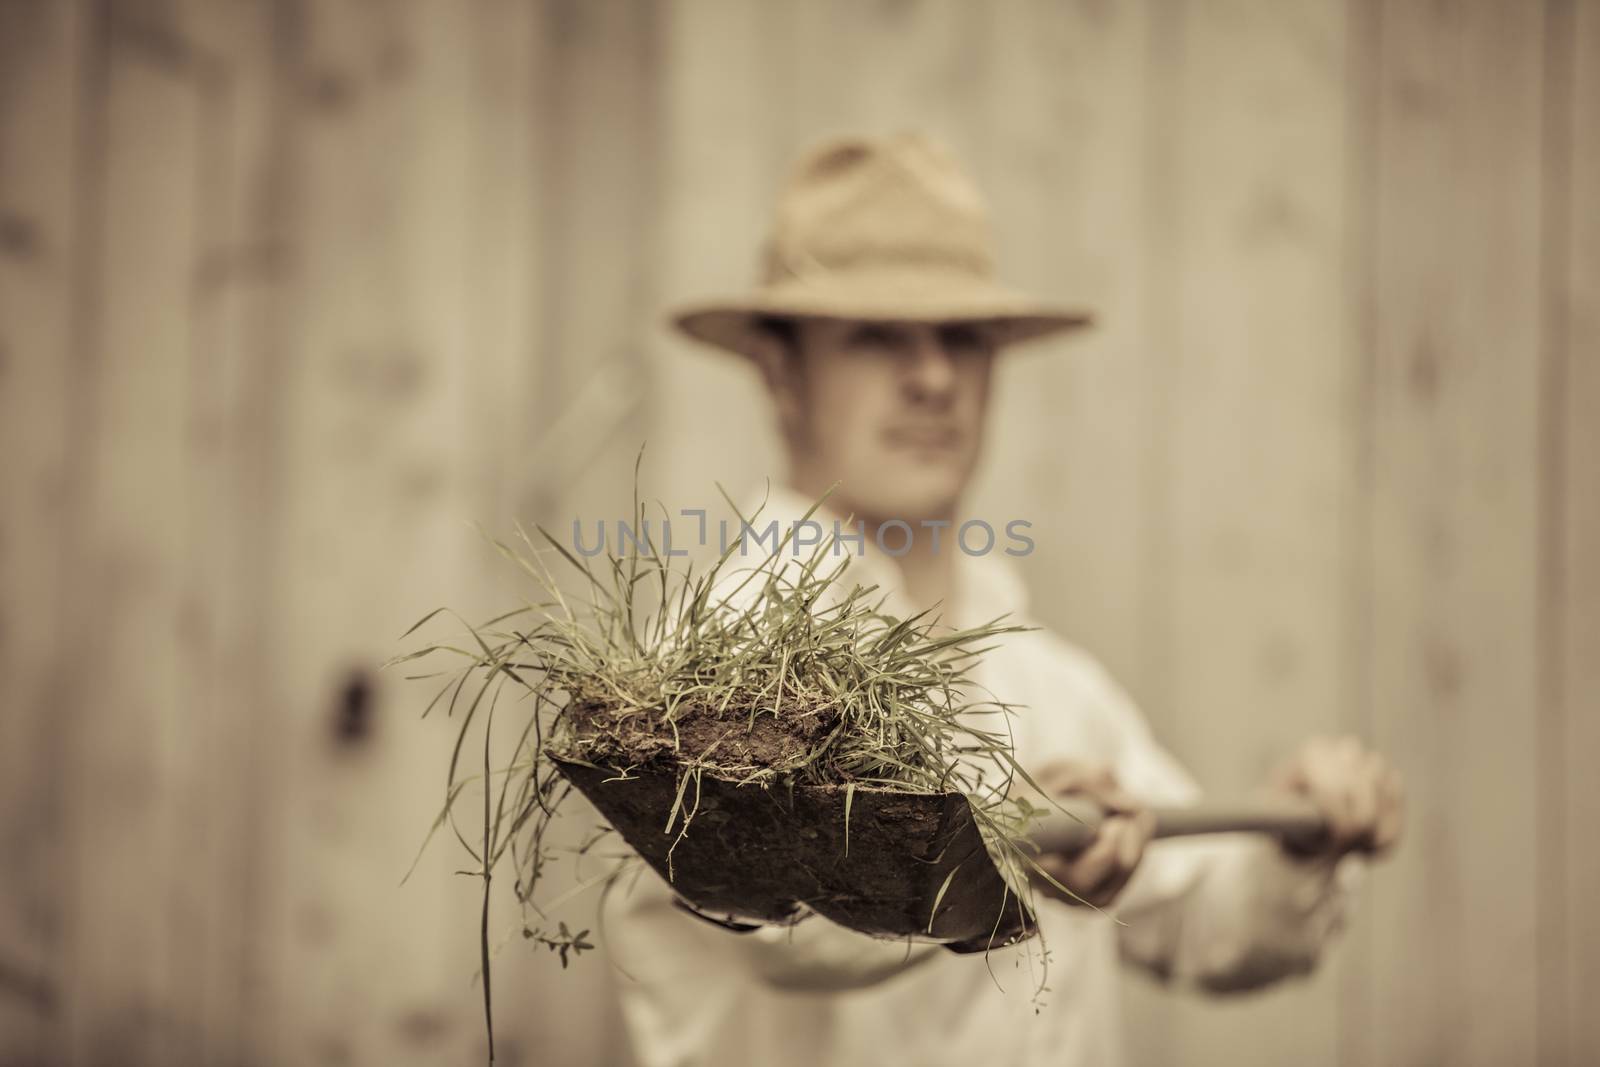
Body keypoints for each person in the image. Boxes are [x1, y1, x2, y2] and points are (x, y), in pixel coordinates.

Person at [600, 133, 1403, 1067]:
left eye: (962, 337)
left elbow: (1197, 920)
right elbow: (780, 925)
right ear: (781, 372)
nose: (934, 376)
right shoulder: (698, 676)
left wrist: (1297, 844)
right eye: (876, 336)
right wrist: (999, 845)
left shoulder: (1046, 679)